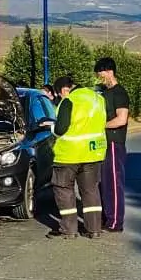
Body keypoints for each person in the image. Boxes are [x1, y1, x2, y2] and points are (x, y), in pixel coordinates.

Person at [47, 75, 107, 240]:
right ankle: (94, 229)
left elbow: (60, 129)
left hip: (69, 154)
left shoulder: (69, 101)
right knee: (90, 190)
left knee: (64, 189)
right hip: (93, 153)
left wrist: (51, 127)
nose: (60, 97)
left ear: (64, 90)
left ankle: (69, 229)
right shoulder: (98, 99)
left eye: (59, 94)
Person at [95, 57, 130, 233]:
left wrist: (100, 126)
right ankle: (106, 217)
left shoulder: (119, 93)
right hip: (102, 143)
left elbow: (121, 119)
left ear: (110, 72)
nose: (99, 78)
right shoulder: (104, 93)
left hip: (114, 143)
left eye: (101, 74)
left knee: (114, 183)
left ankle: (116, 221)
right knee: (103, 182)